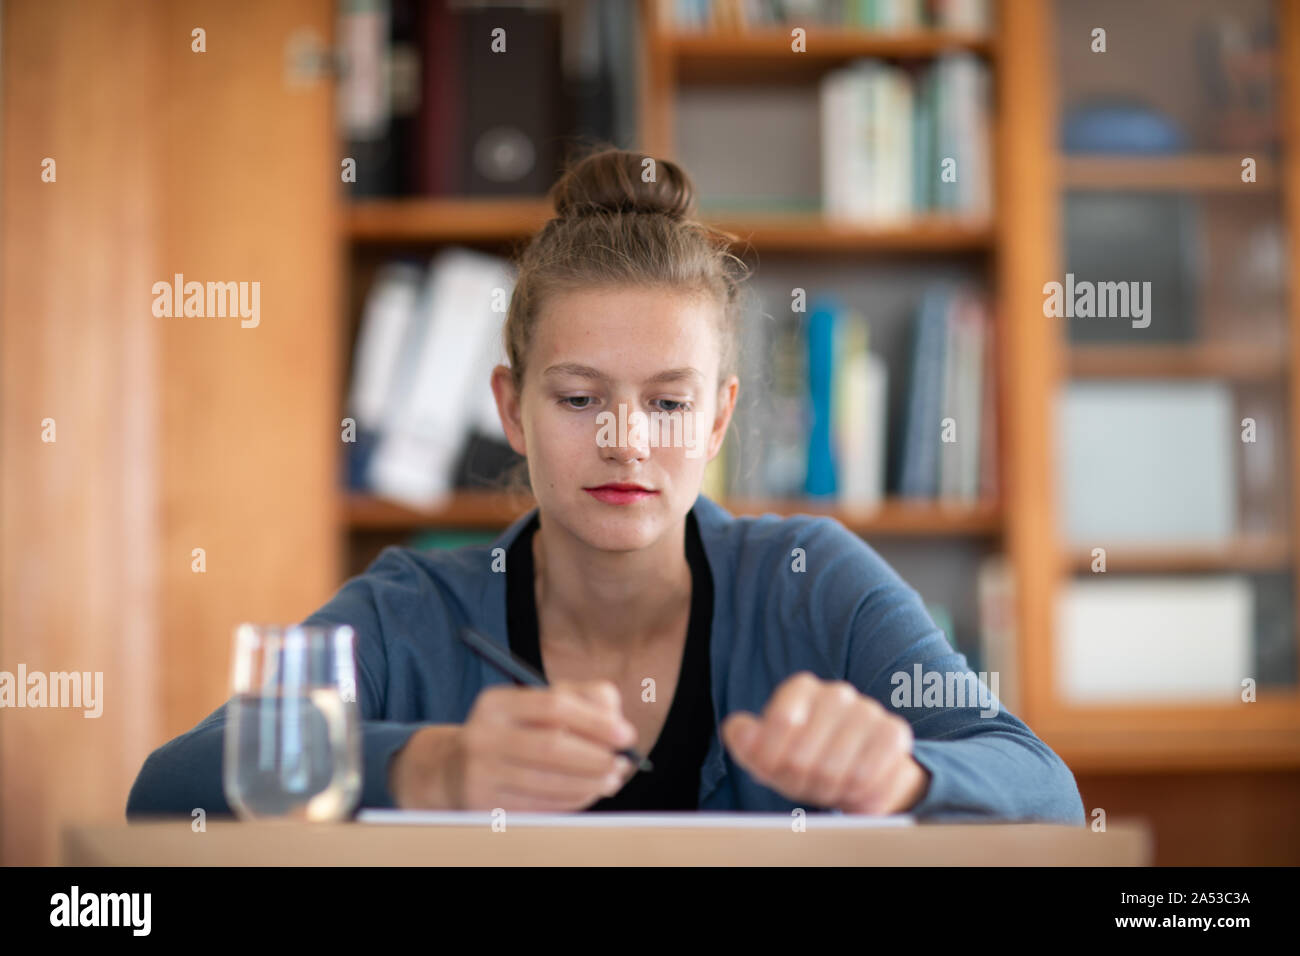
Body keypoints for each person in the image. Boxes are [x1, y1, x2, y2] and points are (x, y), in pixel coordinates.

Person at [127, 147, 1084, 823]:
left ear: (718, 418)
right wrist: (434, 766)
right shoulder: (407, 612)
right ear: (511, 408)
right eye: (580, 398)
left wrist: (904, 777)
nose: (625, 442)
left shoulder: (812, 579)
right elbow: (171, 791)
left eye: (669, 406)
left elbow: (1044, 789)